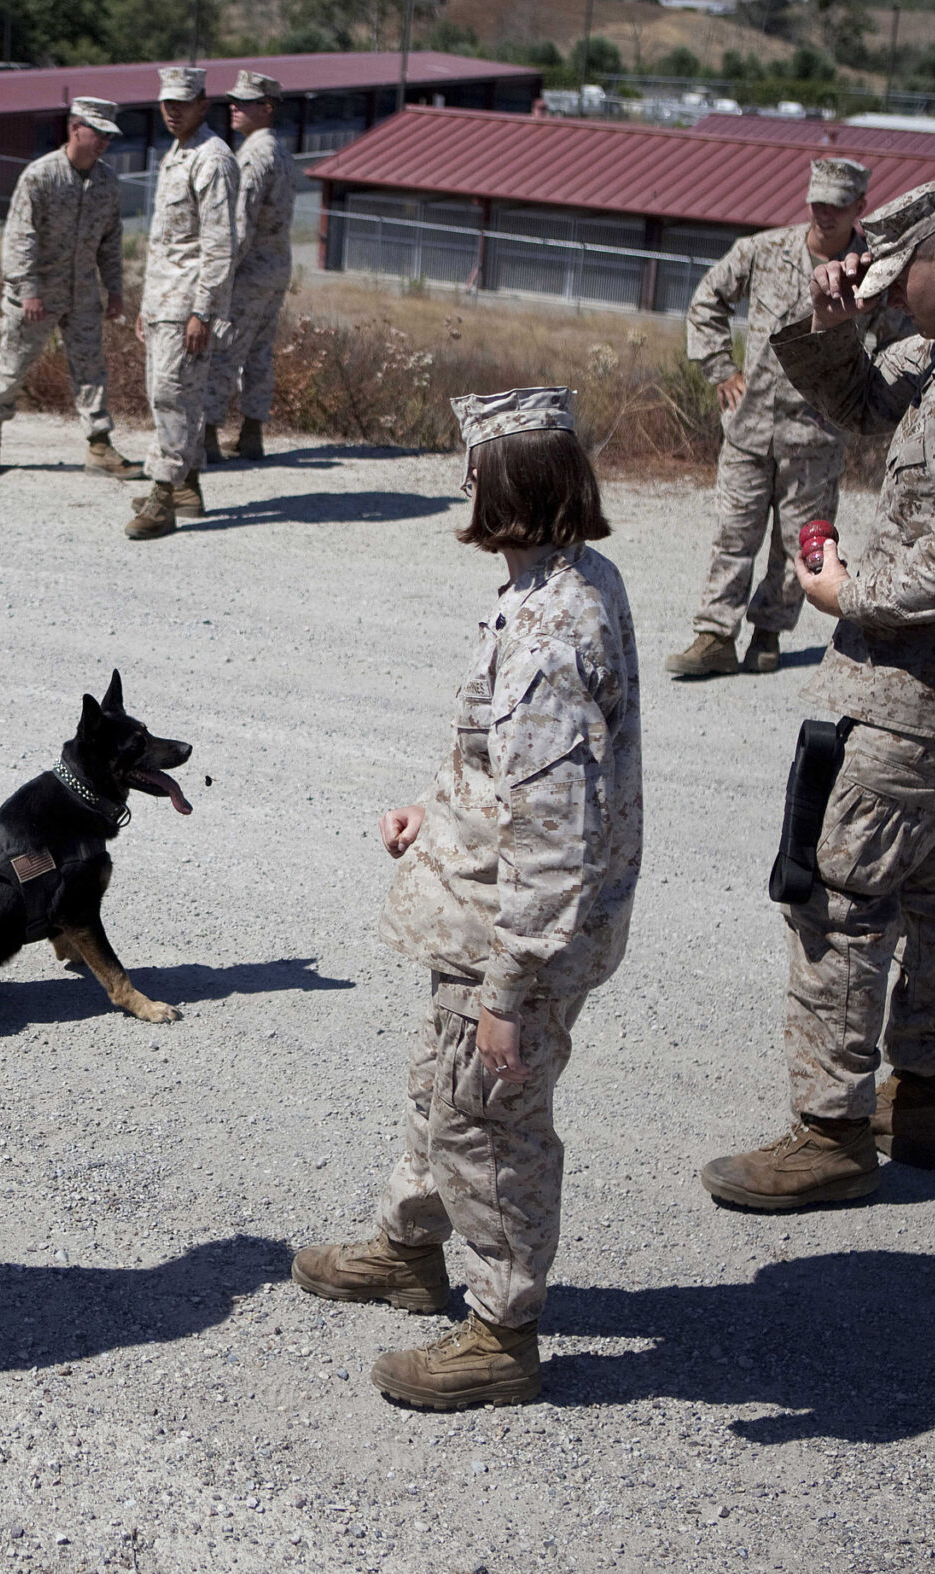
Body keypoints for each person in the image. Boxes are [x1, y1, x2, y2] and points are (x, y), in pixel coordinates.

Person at [699, 177, 935, 1209]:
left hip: (933, 685)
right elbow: (864, 404)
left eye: (902, 283)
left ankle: (826, 1133)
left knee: (840, 886)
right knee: (931, 882)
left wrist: (839, 592)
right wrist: (836, 323)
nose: (898, 306)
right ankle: (918, 1100)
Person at [294, 388, 644, 1409]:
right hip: (486, 905)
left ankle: (501, 1329)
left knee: (487, 1120)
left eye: (469, 470)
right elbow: (512, 774)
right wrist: (433, 810)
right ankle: (409, 1250)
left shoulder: (544, 634)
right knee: (440, 1084)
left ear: (496, 486)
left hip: (516, 932)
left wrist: (511, 988)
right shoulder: (567, 578)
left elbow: (556, 833)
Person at [667, 158, 907, 680]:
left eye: (837, 206)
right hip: (749, 426)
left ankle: (769, 633)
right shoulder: (764, 251)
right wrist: (719, 368)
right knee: (734, 531)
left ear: (859, 208)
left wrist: (865, 400)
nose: (824, 213)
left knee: (799, 541)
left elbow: (896, 344)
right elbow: (708, 297)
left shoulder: (871, 273)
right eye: (817, 202)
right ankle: (714, 636)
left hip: (816, 435)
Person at [0, 97, 146, 482]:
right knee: (13, 363)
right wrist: (28, 289)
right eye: (96, 132)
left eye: (108, 135)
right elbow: (20, 237)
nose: (103, 142)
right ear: (75, 128)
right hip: (36, 294)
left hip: (83, 293)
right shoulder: (41, 176)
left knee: (90, 369)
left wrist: (115, 290)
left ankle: (99, 446)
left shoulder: (106, 181)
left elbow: (110, 239)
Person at [125, 66, 240, 541]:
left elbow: (218, 244)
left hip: (188, 304)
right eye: (166, 102)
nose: (171, 111)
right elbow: (168, 243)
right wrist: (147, 306)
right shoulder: (177, 153)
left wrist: (204, 311)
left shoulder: (212, 158)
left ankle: (162, 497)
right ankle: (186, 485)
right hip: (164, 303)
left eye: (182, 103)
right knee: (168, 396)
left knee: (172, 397)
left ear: (203, 106)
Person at [202, 70, 298, 466]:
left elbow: (239, 225)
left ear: (267, 107)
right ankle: (251, 434)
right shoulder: (280, 151)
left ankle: (206, 436)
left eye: (244, 102)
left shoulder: (254, 156)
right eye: (233, 101)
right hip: (274, 270)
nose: (234, 108)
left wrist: (217, 279)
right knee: (259, 353)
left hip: (248, 272)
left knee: (224, 351)